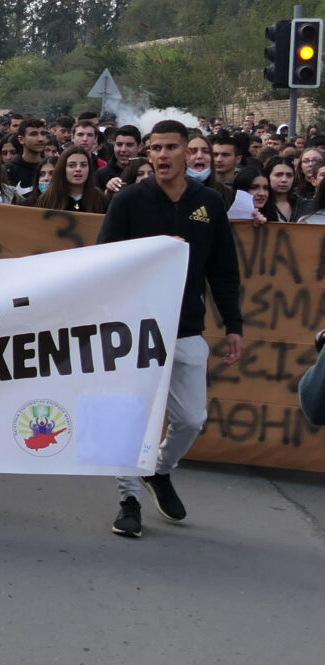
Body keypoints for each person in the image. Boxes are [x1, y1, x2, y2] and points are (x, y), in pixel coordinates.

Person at [97, 119, 245, 538]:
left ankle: (158, 471)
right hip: (133, 328)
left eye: (170, 147)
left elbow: (224, 269)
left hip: (185, 327)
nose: (162, 155)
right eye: (155, 148)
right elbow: (104, 260)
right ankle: (128, 498)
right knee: (130, 416)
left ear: (189, 153)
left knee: (191, 417)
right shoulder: (129, 200)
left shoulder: (210, 203)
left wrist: (233, 324)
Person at [36, 145, 107, 213]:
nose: (78, 169)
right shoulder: (48, 198)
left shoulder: (99, 198)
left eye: (83, 165)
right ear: (63, 168)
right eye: (72, 165)